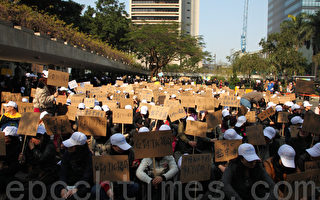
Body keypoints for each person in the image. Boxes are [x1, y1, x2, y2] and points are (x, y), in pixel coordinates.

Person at [57, 132, 93, 199]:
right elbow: (63, 173)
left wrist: (77, 188)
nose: (68, 148)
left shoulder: (89, 157)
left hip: (82, 185)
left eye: (71, 146)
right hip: (68, 184)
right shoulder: (67, 154)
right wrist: (62, 188)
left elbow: (87, 176)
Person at [0, 126, 21, 193]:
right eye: (5, 138)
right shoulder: (1, 144)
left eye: (8, 138)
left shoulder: (18, 148)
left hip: (11, 175)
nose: (6, 141)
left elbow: (17, 165)